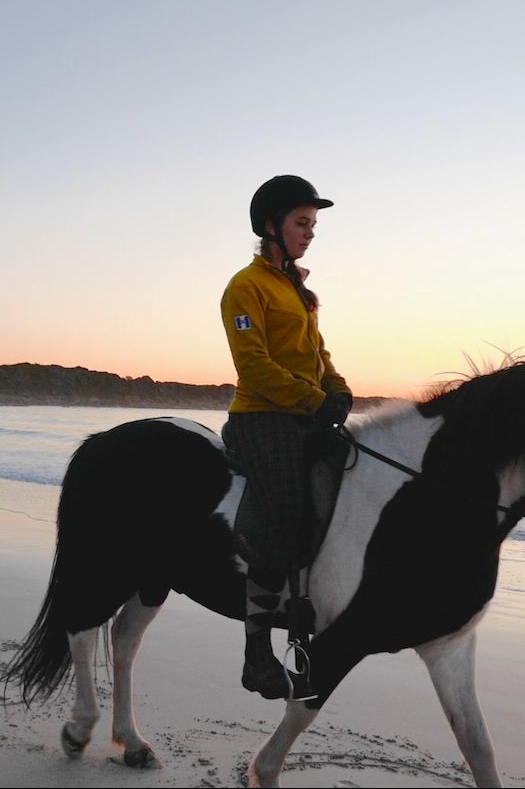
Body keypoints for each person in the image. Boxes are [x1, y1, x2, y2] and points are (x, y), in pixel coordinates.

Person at [219, 175, 354, 699]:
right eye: (302, 223)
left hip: (305, 413)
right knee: (288, 509)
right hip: (262, 417)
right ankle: (257, 651)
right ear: (271, 226)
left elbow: (320, 356)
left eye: (314, 224)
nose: (311, 232)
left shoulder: (301, 290)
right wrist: (315, 401)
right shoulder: (244, 287)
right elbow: (254, 367)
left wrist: (339, 390)